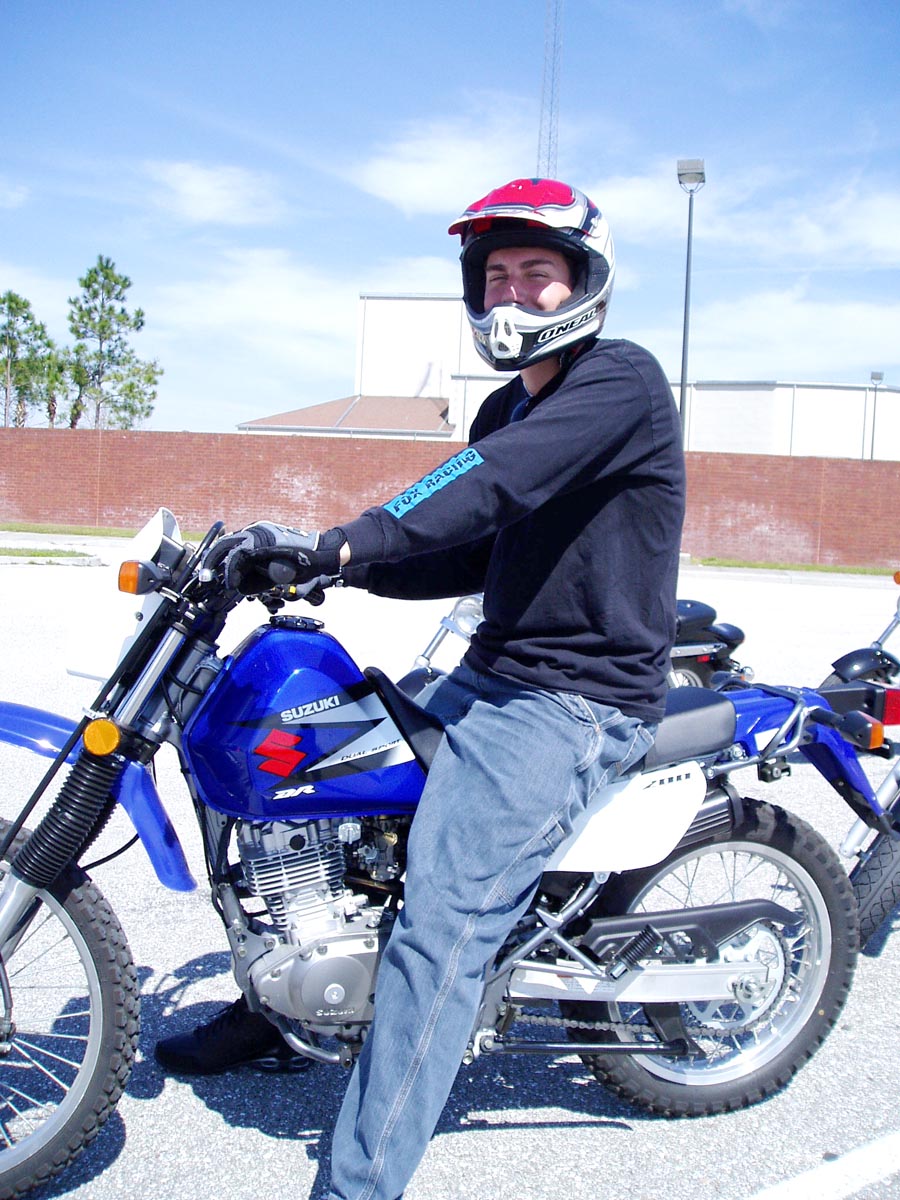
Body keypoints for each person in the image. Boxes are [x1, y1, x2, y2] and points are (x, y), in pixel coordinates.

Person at [156, 177, 686, 1199]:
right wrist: (324, 568)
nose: (513, 292)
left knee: (441, 927)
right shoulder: (508, 404)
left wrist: (350, 537)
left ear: (583, 280)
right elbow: (471, 545)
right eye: (497, 274)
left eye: (537, 272)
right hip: (490, 672)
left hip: (573, 701)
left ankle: (360, 1185)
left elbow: (484, 484)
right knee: (307, 790)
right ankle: (282, 1010)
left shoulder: (620, 381)